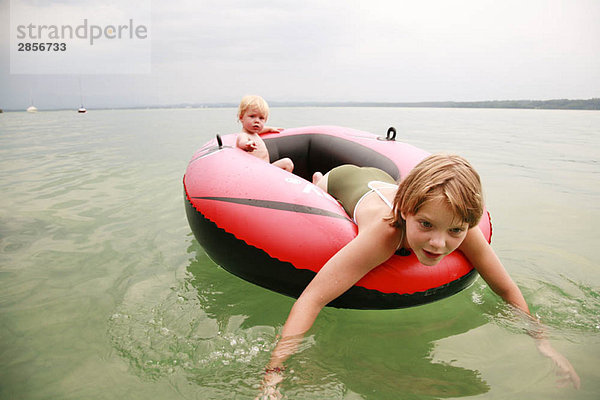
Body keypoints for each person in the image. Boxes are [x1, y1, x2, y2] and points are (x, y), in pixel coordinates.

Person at [260, 154, 580, 396]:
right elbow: (312, 298)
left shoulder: (458, 224)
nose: (439, 243)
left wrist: (544, 344)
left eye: (454, 230)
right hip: (342, 181)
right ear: (406, 213)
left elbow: (506, 289)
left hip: (382, 177)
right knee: (321, 187)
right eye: (425, 225)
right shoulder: (385, 234)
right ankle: (311, 177)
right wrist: (274, 373)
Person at [235, 95, 294, 172]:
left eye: (261, 118)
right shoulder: (244, 135)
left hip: (266, 168)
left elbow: (261, 129)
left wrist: (270, 129)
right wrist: (247, 145)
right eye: (252, 116)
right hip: (258, 171)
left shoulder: (254, 133)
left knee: (288, 163)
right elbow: (242, 142)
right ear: (241, 117)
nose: (257, 121)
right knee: (287, 163)